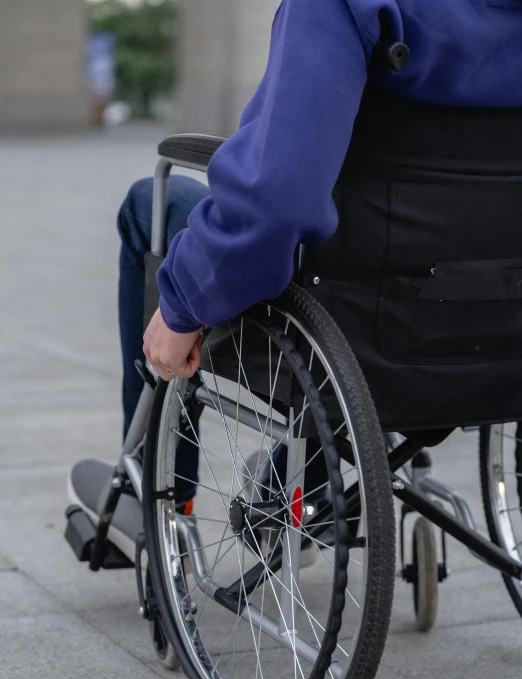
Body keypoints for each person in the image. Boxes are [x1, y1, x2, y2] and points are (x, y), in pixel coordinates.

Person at [77, 0, 522, 533]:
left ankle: (166, 502)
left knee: (149, 199)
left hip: (358, 325)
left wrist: (181, 302)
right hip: (500, 327)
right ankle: (302, 481)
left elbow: (277, 202)